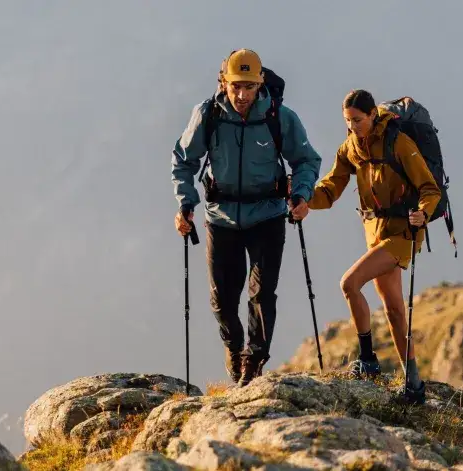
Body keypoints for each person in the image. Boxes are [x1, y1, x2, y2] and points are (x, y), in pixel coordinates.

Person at [171, 49, 322, 386]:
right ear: (224, 82)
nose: (242, 95)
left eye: (249, 86)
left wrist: (301, 195)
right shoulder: (208, 114)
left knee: (262, 292)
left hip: (268, 215)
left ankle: (252, 363)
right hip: (221, 218)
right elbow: (184, 160)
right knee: (223, 298)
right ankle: (233, 348)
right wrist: (186, 203)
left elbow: (306, 160)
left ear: (260, 83)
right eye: (236, 86)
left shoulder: (279, 117)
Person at [307, 89, 441, 405]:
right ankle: (414, 385)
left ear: (371, 116)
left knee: (349, 283)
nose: (352, 126)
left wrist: (423, 212)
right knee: (394, 308)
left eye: (357, 120)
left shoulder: (399, 143)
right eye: (347, 121)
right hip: (375, 232)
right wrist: (301, 196)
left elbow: (429, 189)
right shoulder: (350, 149)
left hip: (403, 233)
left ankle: (368, 361)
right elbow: (329, 191)